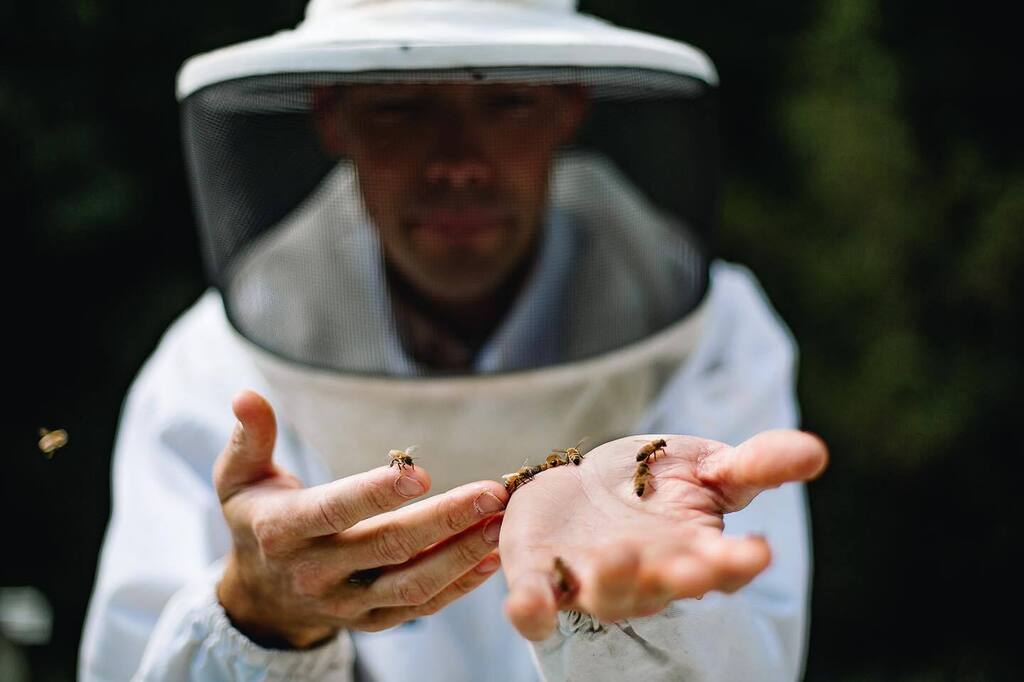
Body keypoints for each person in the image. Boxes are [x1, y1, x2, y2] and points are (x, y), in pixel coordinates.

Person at [80, 0, 828, 680]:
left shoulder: (716, 331)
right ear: (332, 118)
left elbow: (753, 656)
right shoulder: (213, 363)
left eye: (506, 103)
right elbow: (132, 659)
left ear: (568, 108)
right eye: (402, 108)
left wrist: (650, 621)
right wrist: (259, 611)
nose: (458, 163)